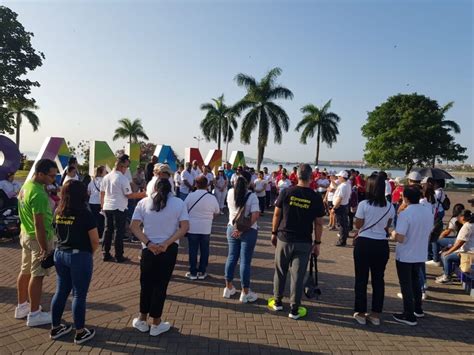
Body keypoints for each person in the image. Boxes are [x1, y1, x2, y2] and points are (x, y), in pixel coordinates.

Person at [130, 178, 189, 336]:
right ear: (171, 189)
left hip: (148, 249)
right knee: (161, 285)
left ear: (154, 188)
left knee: (146, 284)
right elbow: (184, 227)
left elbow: (134, 227)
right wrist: (167, 243)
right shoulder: (178, 203)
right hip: (168, 249)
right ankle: (156, 322)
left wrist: (148, 243)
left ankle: (142, 319)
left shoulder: (143, 203)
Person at [269, 164, 325, 320]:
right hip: (304, 242)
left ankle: (277, 302)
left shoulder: (287, 192)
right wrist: (318, 243)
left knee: (280, 271)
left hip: (284, 238)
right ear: (311, 177)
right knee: (298, 276)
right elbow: (319, 223)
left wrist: (273, 233)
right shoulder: (315, 197)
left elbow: (276, 215)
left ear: (297, 175)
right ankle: (294, 308)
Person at [50, 180, 100, 344]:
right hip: (78, 256)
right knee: (79, 294)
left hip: (60, 253)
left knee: (61, 291)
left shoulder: (59, 211)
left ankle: (56, 327)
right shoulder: (85, 214)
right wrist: (89, 254)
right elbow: (95, 240)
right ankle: (79, 332)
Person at [15, 159, 58, 326]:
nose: (53, 179)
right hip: (37, 237)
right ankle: (34, 314)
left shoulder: (26, 187)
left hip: (25, 234)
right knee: (37, 274)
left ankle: (22, 306)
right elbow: (39, 224)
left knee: (25, 271)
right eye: (51, 176)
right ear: (40, 174)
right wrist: (44, 248)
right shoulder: (38, 194)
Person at [353, 175, 395, 326]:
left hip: (364, 243)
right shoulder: (390, 206)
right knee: (378, 280)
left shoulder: (364, 204)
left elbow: (358, 225)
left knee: (361, 279)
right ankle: (376, 314)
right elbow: (387, 226)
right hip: (381, 245)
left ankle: (361, 312)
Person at [390, 186, 433, 326]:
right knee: (416, 282)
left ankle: (408, 315)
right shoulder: (428, 211)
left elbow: (400, 237)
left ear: (405, 198)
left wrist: (392, 234)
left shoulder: (406, 214)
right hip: (420, 253)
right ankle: (418, 309)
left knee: (406, 285)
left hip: (406, 254)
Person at [224, 171, 260, 303]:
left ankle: (228, 287)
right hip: (248, 231)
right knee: (245, 261)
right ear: (249, 182)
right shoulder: (252, 196)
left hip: (231, 228)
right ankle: (245, 292)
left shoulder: (230, 193)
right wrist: (242, 230)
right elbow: (255, 216)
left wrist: (237, 230)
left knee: (232, 257)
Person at [100, 159, 146, 263]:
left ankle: (105, 253)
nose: (126, 169)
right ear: (121, 167)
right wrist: (143, 194)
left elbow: (102, 193)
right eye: (126, 167)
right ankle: (118, 255)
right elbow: (129, 195)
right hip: (119, 207)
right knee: (118, 232)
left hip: (108, 206)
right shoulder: (122, 178)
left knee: (107, 230)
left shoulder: (106, 177)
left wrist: (102, 206)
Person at [184, 176, 220, 280]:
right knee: (204, 250)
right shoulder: (211, 197)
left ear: (196, 184)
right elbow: (217, 212)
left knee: (193, 250)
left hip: (192, 228)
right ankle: (202, 271)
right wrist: (209, 217)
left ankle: (193, 272)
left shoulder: (190, 196)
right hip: (206, 228)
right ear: (207, 184)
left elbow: (184, 210)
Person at [436, 209, 473, 284]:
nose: (457, 218)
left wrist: (448, 252)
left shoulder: (467, 226)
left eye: (458, 216)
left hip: (468, 253)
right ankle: (446, 274)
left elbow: (460, 243)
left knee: (446, 256)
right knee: (446, 253)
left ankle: (447, 277)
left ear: (462, 217)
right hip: (467, 251)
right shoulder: (470, 225)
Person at [332, 171, 351, 247]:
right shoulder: (347, 184)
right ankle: (344, 239)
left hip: (340, 206)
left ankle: (342, 241)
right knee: (344, 223)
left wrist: (334, 208)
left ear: (342, 177)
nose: (338, 178)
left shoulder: (343, 186)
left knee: (342, 224)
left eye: (339, 177)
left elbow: (339, 198)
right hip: (344, 205)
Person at [87, 166, 106, 240]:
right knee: (101, 219)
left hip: (92, 202)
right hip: (101, 202)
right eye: (104, 171)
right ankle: (100, 235)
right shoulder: (104, 181)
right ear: (101, 172)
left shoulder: (92, 181)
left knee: (94, 219)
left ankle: (94, 234)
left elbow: (88, 192)